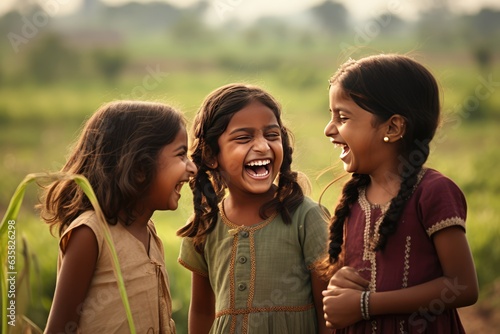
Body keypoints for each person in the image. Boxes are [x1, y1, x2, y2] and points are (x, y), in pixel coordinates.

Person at [321, 54, 479, 333]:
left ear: (393, 127)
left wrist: (366, 305)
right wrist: (338, 285)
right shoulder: (353, 200)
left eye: (342, 117)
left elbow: (462, 286)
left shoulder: (433, 191)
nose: (328, 129)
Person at [177, 83, 330, 334]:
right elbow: (203, 311)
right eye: (244, 137)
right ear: (211, 155)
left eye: (271, 135)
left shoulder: (306, 217)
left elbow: (327, 312)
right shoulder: (205, 225)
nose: (262, 146)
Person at [40, 100, 197, 333]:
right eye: (181, 155)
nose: (192, 168)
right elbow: (59, 328)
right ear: (140, 168)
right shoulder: (90, 233)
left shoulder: (149, 233)